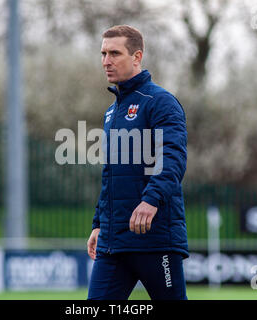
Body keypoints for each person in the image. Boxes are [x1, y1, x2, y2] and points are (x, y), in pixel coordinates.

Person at [87, 25, 188, 300]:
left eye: (115, 53)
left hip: (154, 240)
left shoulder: (160, 102)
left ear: (137, 56)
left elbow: (174, 158)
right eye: (103, 53)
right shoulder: (112, 111)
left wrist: (151, 200)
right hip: (113, 242)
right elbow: (112, 175)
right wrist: (99, 224)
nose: (106, 61)